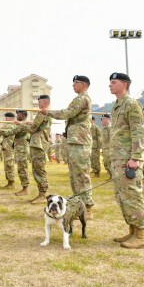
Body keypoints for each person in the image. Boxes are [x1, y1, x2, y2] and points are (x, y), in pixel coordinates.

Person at [39, 75, 94, 218]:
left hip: (80, 141)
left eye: (75, 83)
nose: (73, 85)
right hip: (75, 141)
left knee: (81, 175)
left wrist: (48, 112)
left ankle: (88, 207)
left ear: (83, 84)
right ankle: (79, 206)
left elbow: (67, 113)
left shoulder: (82, 99)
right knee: (75, 176)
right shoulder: (79, 98)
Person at [107, 72, 144, 249]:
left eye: (113, 82)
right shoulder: (117, 105)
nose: (110, 85)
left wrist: (136, 157)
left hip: (128, 159)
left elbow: (138, 131)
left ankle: (140, 235)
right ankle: (131, 230)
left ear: (125, 84)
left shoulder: (131, 104)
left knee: (132, 195)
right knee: (122, 196)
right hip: (118, 158)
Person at [20, 95, 52, 203]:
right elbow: (37, 126)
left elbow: (32, 130)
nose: (38, 105)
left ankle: (43, 195)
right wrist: (30, 123)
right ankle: (41, 194)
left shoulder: (42, 113)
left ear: (45, 103)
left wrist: (22, 125)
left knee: (39, 170)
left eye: (39, 103)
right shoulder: (46, 113)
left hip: (38, 145)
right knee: (37, 169)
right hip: (39, 144)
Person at [0, 110, 31, 197]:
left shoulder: (22, 125)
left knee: (22, 169)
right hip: (20, 150)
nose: (17, 116)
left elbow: (10, 132)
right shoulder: (23, 124)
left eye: (19, 114)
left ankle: (25, 189)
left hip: (22, 150)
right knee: (21, 169)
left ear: (23, 115)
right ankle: (24, 188)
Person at [0, 112, 16, 188]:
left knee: (9, 165)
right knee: (7, 165)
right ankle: (9, 182)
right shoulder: (8, 126)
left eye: (7, 118)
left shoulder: (10, 126)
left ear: (11, 119)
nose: (5, 119)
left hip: (9, 148)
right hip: (7, 148)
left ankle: (11, 182)